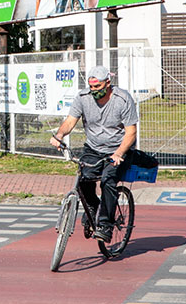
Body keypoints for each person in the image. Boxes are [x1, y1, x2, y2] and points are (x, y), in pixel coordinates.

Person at [50, 65, 138, 242]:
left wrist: (119, 153)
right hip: (93, 148)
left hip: (118, 149)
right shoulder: (83, 98)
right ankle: (95, 210)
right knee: (83, 180)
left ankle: (105, 225)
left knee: (108, 180)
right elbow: (70, 121)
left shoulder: (123, 99)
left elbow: (131, 132)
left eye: (97, 87)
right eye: (91, 87)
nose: (93, 91)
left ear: (108, 83)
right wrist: (59, 135)